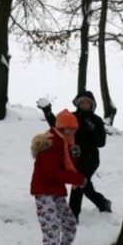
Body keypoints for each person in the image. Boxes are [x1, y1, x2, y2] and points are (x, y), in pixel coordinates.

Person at [37, 91, 111, 220]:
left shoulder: (97, 120)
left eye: (88, 103)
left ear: (92, 105)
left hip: (90, 158)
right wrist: (48, 112)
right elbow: (57, 127)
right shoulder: (72, 116)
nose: (85, 105)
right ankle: (103, 202)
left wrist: (93, 129)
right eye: (82, 102)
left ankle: (72, 216)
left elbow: (101, 143)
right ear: (78, 103)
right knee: (85, 185)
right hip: (74, 156)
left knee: (78, 183)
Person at [31, 109, 86, 245]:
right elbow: (53, 172)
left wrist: (74, 155)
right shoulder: (50, 142)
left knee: (69, 223)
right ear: (61, 128)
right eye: (67, 128)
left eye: (73, 129)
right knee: (52, 226)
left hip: (56, 191)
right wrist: (78, 180)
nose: (71, 132)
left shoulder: (64, 143)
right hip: (44, 191)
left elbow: (66, 166)